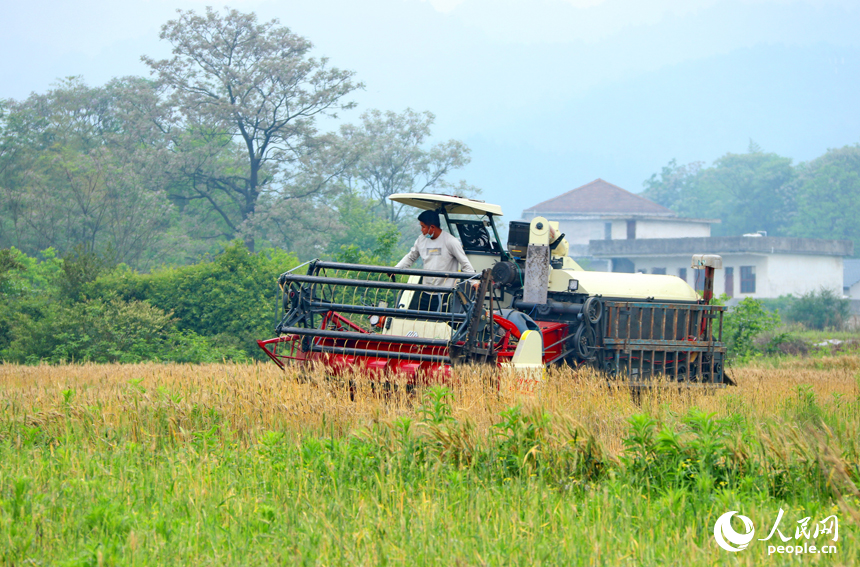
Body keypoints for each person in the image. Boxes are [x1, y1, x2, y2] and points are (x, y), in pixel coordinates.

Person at [395, 210, 475, 311]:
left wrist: (474, 282)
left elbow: (465, 263)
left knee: (440, 323)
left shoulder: (450, 241)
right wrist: (396, 269)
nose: (421, 230)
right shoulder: (421, 240)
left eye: (423, 227)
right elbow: (411, 257)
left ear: (432, 227)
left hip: (444, 293)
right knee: (422, 321)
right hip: (425, 291)